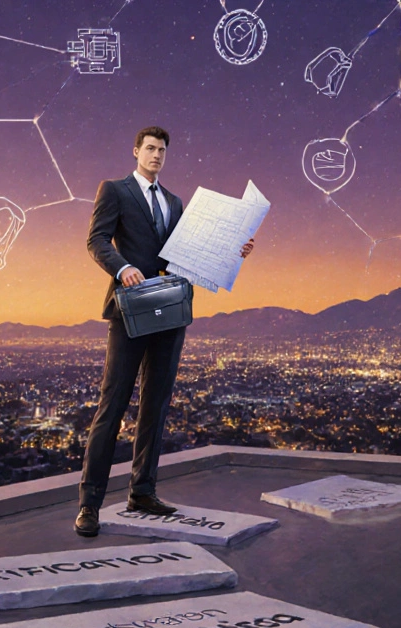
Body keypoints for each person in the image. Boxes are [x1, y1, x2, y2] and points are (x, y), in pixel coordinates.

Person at [75, 126, 254, 537]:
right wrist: (122, 268)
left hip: (170, 312)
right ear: (136, 151)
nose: (156, 155)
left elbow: (189, 251)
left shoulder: (174, 202)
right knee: (113, 405)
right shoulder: (114, 190)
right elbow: (96, 240)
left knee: (155, 405)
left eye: (162, 151)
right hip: (130, 310)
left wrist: (234, 249)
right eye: (150, 149)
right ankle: (89, 505)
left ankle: (142, 491)